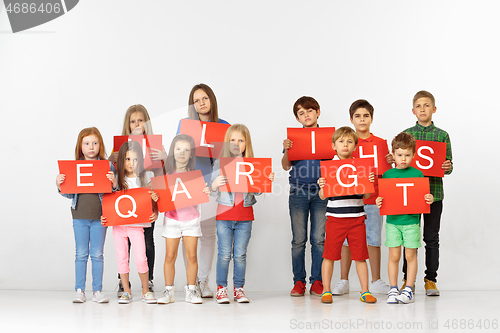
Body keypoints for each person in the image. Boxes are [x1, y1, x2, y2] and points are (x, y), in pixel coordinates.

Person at [174, 84, 230, 298]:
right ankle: (190, 281)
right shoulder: (186, 125)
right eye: (196, 100)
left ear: (211, 100)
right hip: (187, 183)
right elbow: (176, 152)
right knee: (187, 233)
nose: (201, 103)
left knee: (207, 234)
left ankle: (203, 281)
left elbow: (231, 156)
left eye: (205, 98)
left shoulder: (224, 126)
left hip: (212, 185)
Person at [208, 124, 274, 304]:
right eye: (233, 140)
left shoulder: (251, 165)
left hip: (245, 217)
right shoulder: (219, 163)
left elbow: (258, 192)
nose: (236, 144)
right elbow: (212, 192)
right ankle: (221, 289)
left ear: (246, 143)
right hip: (224, 216)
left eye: (241, 140)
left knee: (240, 255)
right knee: (224, 254)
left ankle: (239, 289)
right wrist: (214, 185)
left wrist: (265, 180)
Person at [331, 100, 391, 296]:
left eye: (366, 115)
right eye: (357, 116)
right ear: (351, 119)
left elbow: (386, 172)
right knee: (347, 241)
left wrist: (390, 161)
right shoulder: (347, 142)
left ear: (372, 119)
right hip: (351, 200)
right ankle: (343, 280)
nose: (362, 119)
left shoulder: (381, 143)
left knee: (373, 238)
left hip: (373, 197)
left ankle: (375, 280)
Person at [56, 127, 117, 303]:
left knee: (97, 254)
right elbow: (68, 194)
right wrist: (60, 185)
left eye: (95, 143)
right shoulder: (75, 167)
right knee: (81, 254)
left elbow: (114, 192)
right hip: (79, 217)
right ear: (80, 146)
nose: (91, 147)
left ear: (100, 145)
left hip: (100, 217)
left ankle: (97, 291)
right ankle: (80, 290)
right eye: (87, 143)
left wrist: (113, 182)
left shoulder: (107, 165)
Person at [318, 127, 377, 304]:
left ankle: (365, 291)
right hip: (335, 219)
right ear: (333, 146)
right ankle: (326, 291)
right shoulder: (329, 167)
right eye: (341, 141)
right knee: (329, 255)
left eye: (350, 141)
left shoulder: (360, 167)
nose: (345, 145)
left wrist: (369, 183)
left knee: (360, 256)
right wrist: (322, 185)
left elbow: (366, 196)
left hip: (357, 218)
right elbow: (323, 196)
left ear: (355, 146)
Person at [402, 91, 453, 296]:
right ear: (413, 110)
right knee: (409, 238)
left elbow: (448, 167)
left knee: (431, 238)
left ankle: (430, 279)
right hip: (410, 194)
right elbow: (400, 161)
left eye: (426, 105)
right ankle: (408, 279)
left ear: (434, 109)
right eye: (419, 106)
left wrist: (447, 166)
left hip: (434, 194)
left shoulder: (442, 135)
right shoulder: (406, 134)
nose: (422, 109)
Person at [110, 104, 163, 297]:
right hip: (124, 206)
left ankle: (147, 280)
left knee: (147, 242)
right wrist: (112, 157)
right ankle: (123, 283)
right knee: (124, 245)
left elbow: (160, 175)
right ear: (128, 124)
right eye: (133, 121)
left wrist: (164, 157)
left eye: (140, 120)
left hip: (145, 202)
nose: (137, 124)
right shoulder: (120, 146)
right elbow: (111, 173)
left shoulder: (154, 145)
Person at [376, 132, 434, 304]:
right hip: (393, 223)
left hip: (411, 223)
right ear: (393, 155)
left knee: (410, 255)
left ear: (413, 155)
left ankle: (408, 288)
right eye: (399, 155)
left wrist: (428, 198)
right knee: (393, 256)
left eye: (407, 155)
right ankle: (393, 289)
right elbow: (385, 198)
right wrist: (380, 200)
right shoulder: (387, 175)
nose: (403, 159)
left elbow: (423, 197)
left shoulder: (418, 174)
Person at [101, 141, 159, 304]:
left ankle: (145, 290)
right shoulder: (118, 179)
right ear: (122, 161)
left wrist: (155, 211)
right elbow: (108, 199)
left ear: (140, 160)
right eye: (127, 159)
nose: (131, 163)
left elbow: (152, 201)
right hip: (119, 226)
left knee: (141, 257)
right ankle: (126, 290)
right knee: (122, 257)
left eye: (135, 159)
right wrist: (104, 216)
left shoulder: (145, 179)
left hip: (136, 226)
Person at [282, 96, 327, 297]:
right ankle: (298, 281)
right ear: (297, 119)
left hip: (321, 192)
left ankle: (317, 280)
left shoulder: (327, 136)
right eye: (301, 113)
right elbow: (285, 166)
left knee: (318, 239)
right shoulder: (294, 139)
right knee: (298, 239)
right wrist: (287, 150)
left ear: (317, 112)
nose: (306, 115)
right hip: (298, 190)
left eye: (309, 110)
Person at [157, 134, 207, 304]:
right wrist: (155, 197)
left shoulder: (195, 175)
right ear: (173, 151)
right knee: (170, 256)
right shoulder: (166, 173)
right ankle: (168, 291)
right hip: (172, 219)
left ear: (191, 154)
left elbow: (198, 197)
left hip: (191, 220)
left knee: (191, 256)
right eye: (178, 149)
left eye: (187, 150)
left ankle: (191, 290)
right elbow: (160, 195)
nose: (182, 153)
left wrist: (205, 192)